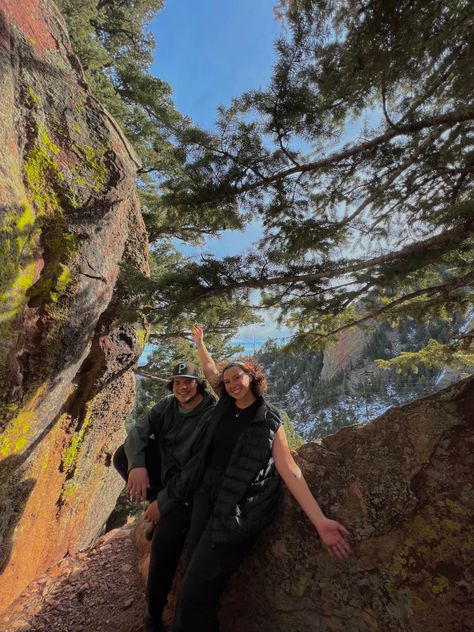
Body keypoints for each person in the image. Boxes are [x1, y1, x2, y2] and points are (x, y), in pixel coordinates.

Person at [167, 326, 352, 632]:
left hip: (238, 508)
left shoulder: (268, 419)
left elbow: (289, 468)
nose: (231, 385)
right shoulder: (225, 404)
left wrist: (320, 521)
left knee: (193, 590)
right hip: (206, 496)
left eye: (237, 378)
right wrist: (200, 343)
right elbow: (211, 369)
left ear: (252, 376)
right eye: (226, 382)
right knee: (195, 579)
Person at [113, 362, 216, 632]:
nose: (182, 387)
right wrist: (138, 464)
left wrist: (165, 502)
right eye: (177, 382)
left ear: (198, 384)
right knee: (122, 456)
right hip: (166, 475)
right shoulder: (168, 405)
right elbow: (137, 432)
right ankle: (156, 509)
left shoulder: (209, 415)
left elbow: (196, 469)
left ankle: (154, 617)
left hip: (188, 490)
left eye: (188, 381)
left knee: (163, 549)